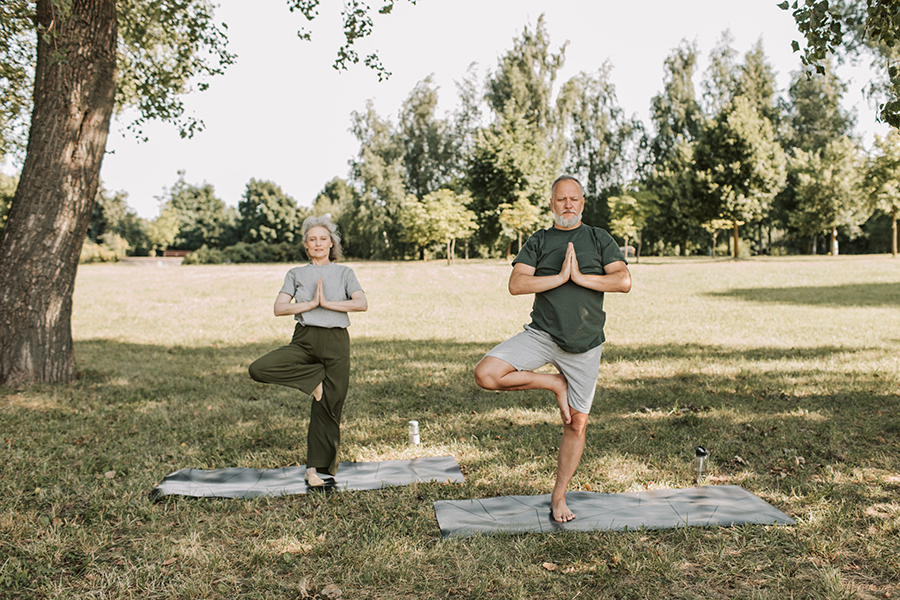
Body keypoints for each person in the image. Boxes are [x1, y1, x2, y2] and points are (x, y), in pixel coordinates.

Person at [474, 175, 632, 522]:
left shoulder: (598, 238)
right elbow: (517, 284)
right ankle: (554, 383)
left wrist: (580, 277)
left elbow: (622, 280)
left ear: (582, 203)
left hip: (585, 345)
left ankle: (558, 498)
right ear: (552, 204)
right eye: (561, 200)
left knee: (576, 425)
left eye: (574, 199)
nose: (568, 205)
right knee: (486, 373)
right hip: (542, 335)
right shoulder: (540, 240)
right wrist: (559, 278)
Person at [248, 215, 367, 487]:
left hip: (337, 342)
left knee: (329, 407)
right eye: (312, 239)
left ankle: (314, 471)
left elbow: (361, 303)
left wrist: (328, 302)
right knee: (259, 368)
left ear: (331, 243)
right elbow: (279, 308)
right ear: (306, 245)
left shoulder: (344, 273)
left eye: (323, 238)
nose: (318, 243)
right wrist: (311, 304)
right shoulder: (296, 274)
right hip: (305, 340)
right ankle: (313, 380)